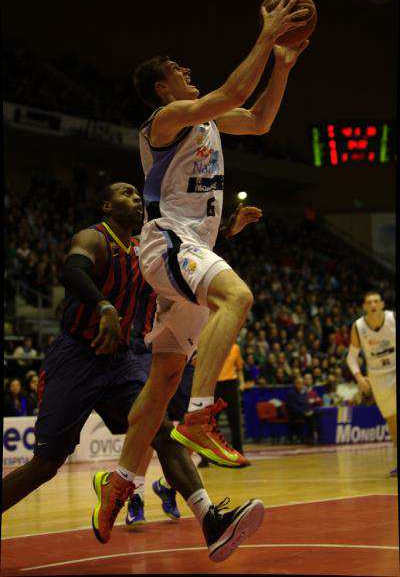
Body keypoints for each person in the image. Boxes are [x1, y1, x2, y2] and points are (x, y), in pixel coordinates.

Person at [90, 0, 310, 542]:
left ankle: (119, 479)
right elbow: (236, 91)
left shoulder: (209, 121)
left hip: (190, 245)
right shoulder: (165, 120)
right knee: (237, 297)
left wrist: (280, 67)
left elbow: (258, 118)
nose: (187, 71)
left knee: (164, 377)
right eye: (177, 69)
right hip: (166, 244)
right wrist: (266, 34)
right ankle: (201, 417)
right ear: (163, 88)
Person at [2, 182, 265, 563]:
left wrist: (225, 230)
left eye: (136, 194)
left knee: (163, 432)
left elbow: (185, 261)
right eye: (126, 193)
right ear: (107, 204)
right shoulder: (93, 238)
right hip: (77, 355)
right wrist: (105, 307)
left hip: (121, 360)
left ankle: (211, 521)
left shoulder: (148, 248)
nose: (135, 198)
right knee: (45, 465)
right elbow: (72, 272)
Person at [346, 291, 396, 476]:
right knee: (392, 420)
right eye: (369, 302)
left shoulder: (392, 318)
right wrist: (359, 377)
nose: (373, 305)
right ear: (364, 307)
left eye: (376, 301)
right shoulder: (358, 326)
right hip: (377, 375)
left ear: (382, 304)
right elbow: (351, 358)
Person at [198, 342, 245, 468]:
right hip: (215, 385)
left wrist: (242, 383)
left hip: (231, 384)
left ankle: (239, 454)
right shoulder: (212, 347)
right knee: (210, 423)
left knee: (235, 421)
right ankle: (206, 458)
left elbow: (239, 368)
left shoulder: (235, 348)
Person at [286, 376, 319, 444]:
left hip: (303, 413)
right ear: (295, 384)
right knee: (310, 417)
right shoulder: (291, 393)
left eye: (302, 383)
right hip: (294, 414)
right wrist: (304, 412)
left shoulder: (304, 392)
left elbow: (306, 403)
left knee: (314, 415)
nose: (301, 385)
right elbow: (293, 407)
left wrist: (309, 411)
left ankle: (311, 437)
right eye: (299, 383)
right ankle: (309, 438)